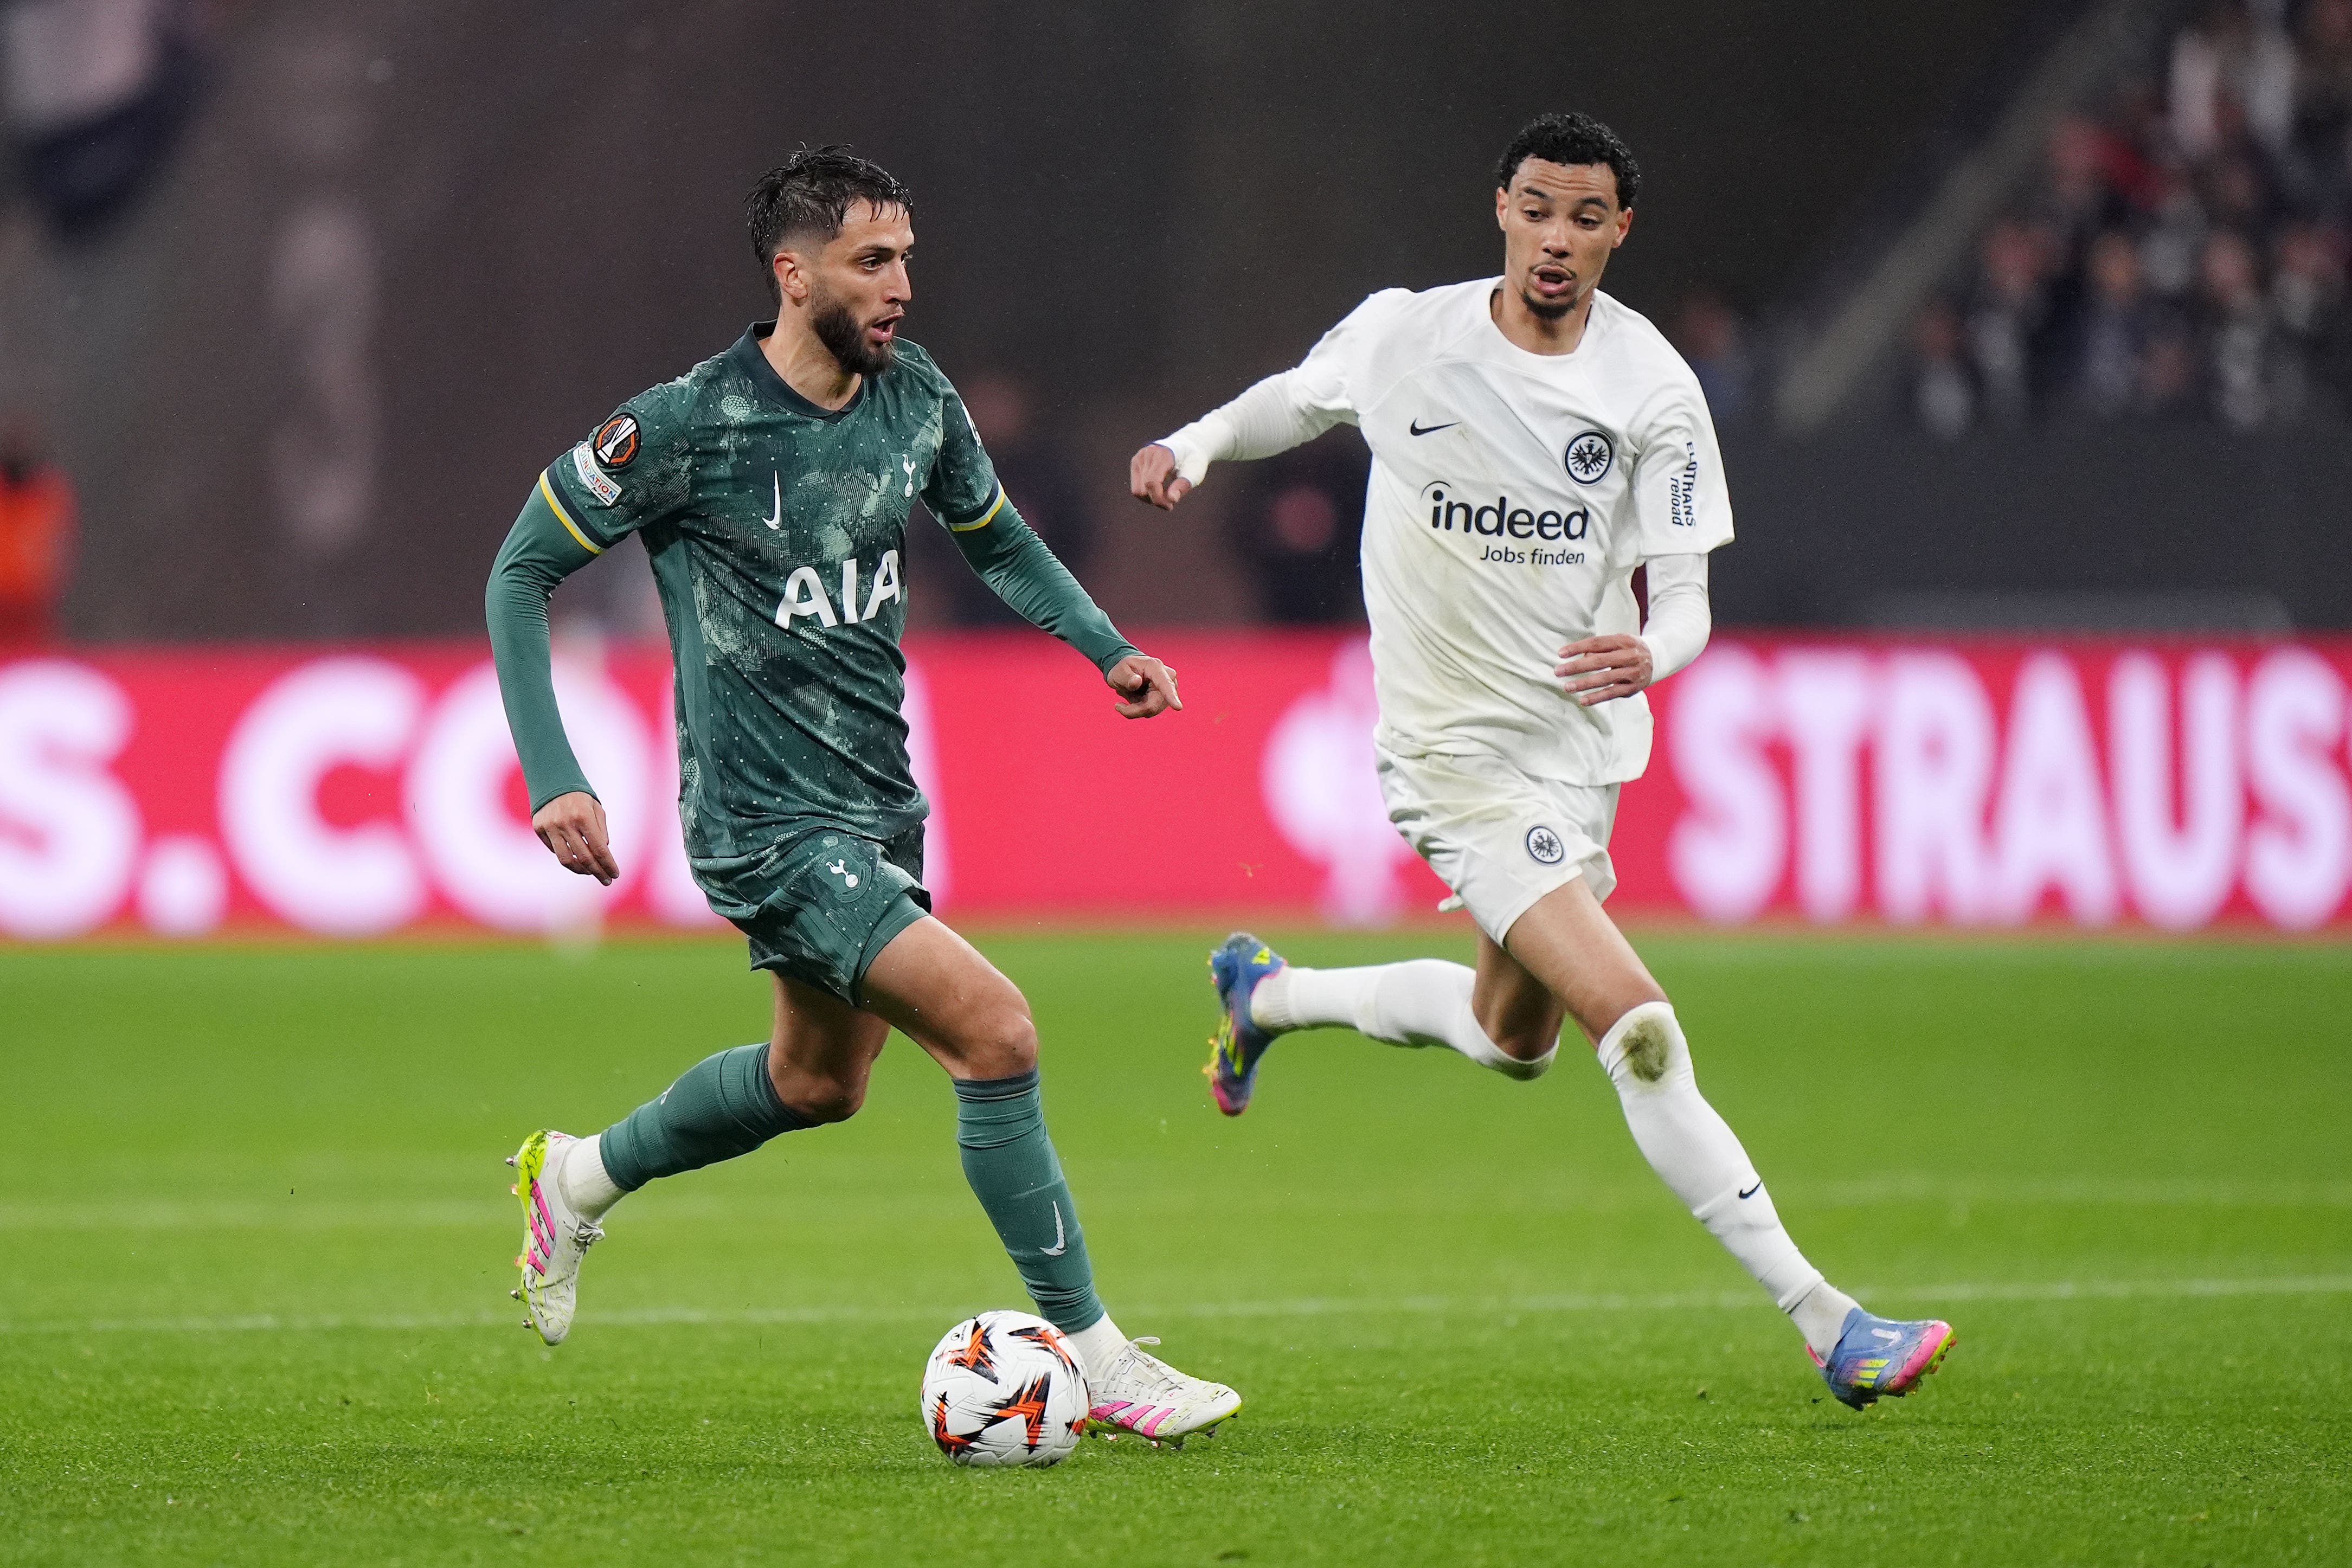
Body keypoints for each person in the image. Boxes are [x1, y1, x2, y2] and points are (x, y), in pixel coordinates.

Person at [1129, 112, 1955, 1412]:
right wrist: (1193, 446)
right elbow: (1296, 397)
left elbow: (1682, 600)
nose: (1556, 239)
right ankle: (1828, 1317)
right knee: (1638, 1028)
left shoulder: (1654, 391)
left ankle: (1265, 999)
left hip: (1575, 753)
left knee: (1510, 1040)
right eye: (1536, 209)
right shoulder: (1412, 335)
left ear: (1620, 230)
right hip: (1453, 757)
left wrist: (1655, 656)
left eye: (1585, 218)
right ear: (1500, 207)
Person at [487, 147, 1238, 1444]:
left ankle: (577, 1175)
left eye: (905, 259)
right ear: (794, 273)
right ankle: (1105, 1359)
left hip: (878, 804)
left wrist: (1103, 643)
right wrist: (554, 776)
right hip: (765, 827)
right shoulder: (681, 427)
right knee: (996, 1033)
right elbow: (517, 574)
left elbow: (995, 536)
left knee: (817, 1082)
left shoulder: (916, 396)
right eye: (870, 262)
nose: (900, 287)